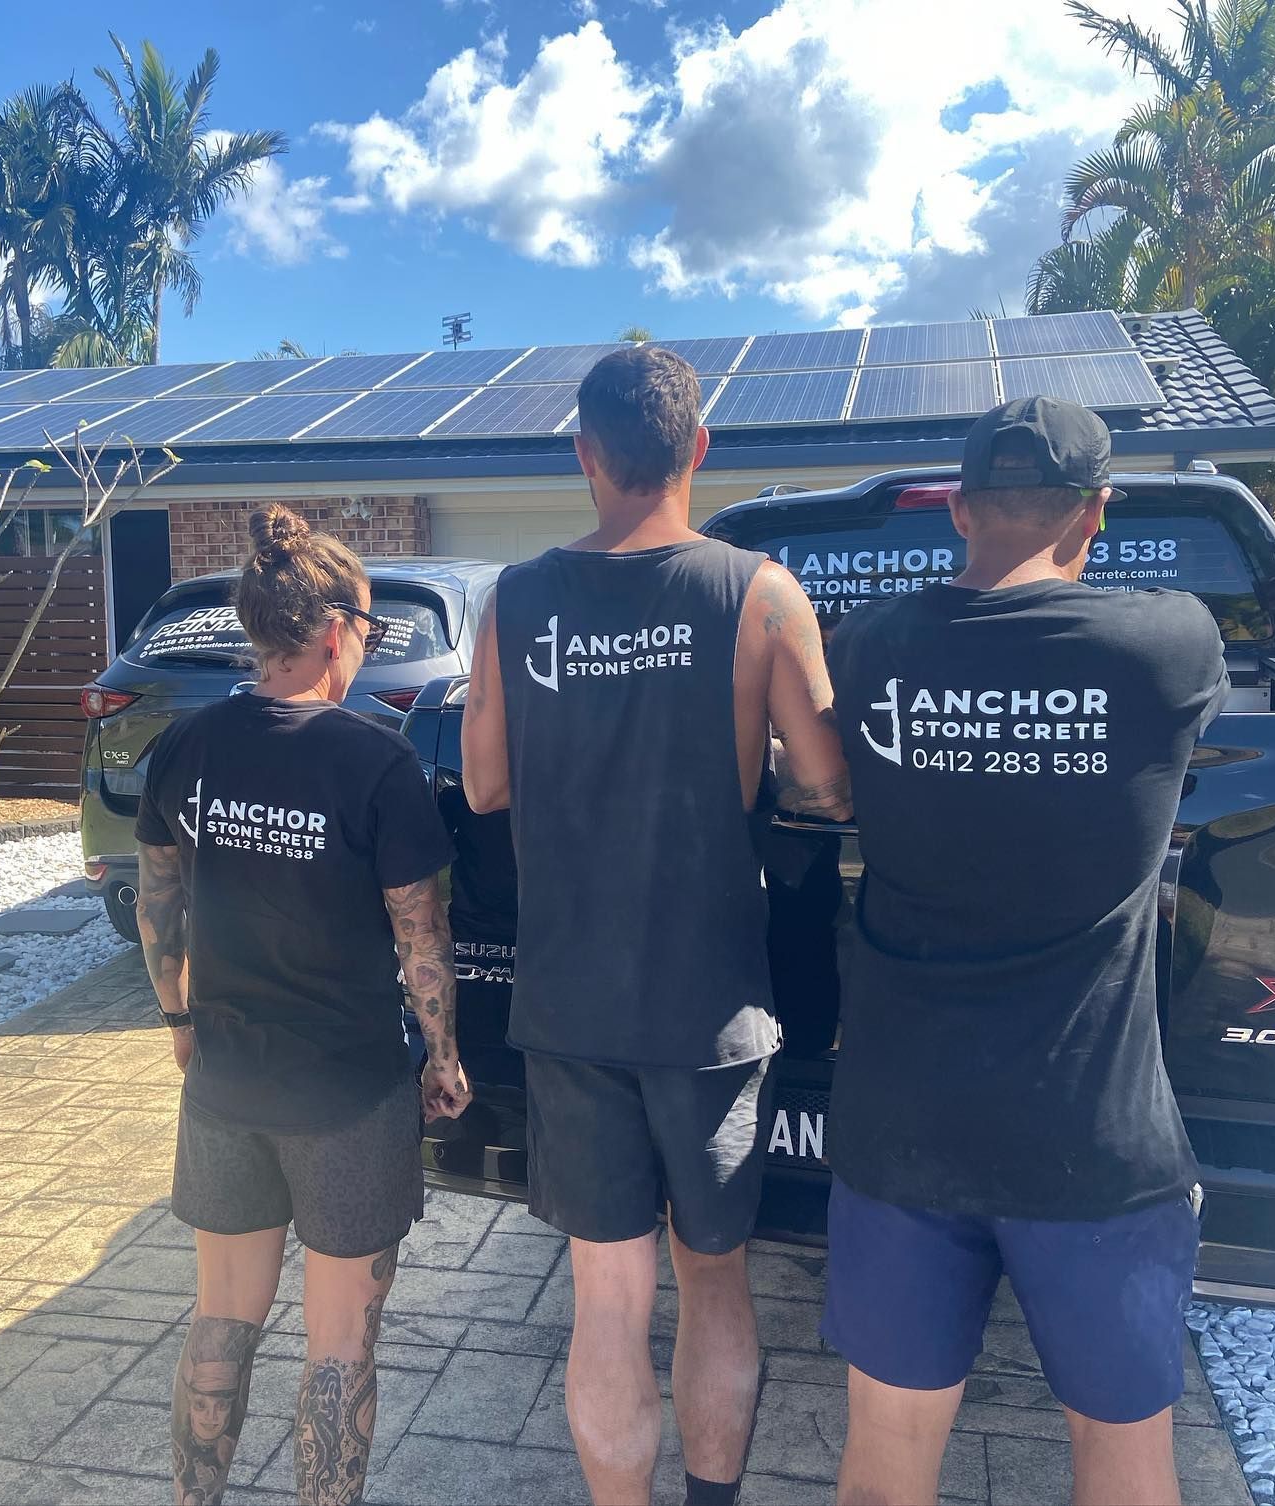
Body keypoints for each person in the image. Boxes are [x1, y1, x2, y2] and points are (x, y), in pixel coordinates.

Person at [462, 345, 852, 1506]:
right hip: (710, 1009)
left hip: (573, 1003)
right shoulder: (760, 592)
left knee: (607, 1296)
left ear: (584, 455)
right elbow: (829, 785)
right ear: (699, 449)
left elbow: (482, 786)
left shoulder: (515, 600)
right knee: (715, 1282)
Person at [820, 396, 1229, 1506]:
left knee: (883, 1471)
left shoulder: (871, 645)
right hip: (1093, 1139)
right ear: (1095, 516)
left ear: (958, 509)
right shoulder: (1171, 643)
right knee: (1129, 1470)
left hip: (903, 1132)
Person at [134, 503, 471, 1506]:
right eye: (368, 630)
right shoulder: (376, 761)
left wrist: (179, 1024)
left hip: (227, 1082)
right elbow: (421, 938)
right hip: (349, 1096)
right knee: (338, 1347)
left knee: (220, 1320)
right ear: (332, 630)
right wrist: (443, 1058)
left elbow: (161, 907)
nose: (366, 648)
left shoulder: (188, 748)